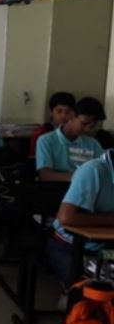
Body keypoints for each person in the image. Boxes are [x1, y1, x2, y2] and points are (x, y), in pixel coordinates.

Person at [46, 150, 114, 286]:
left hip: (106, 249)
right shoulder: (93, 170)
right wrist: (110, 220)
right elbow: (65, 217)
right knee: (100, 286)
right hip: (70, 246)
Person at [36, 97, 105, 182]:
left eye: (92, 126)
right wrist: (81, 177)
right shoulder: (46, 141)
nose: (87, 129)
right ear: (72, 115)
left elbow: (104, 169)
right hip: (57, 187)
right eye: (84, 123)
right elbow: (45, 175)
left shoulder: (93, 144)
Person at [29, 92, 76, 157]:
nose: (63, 116)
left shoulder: (76, 133)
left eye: (67, 112)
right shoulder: (41, 132)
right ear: (51, 112)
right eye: (59, 111)